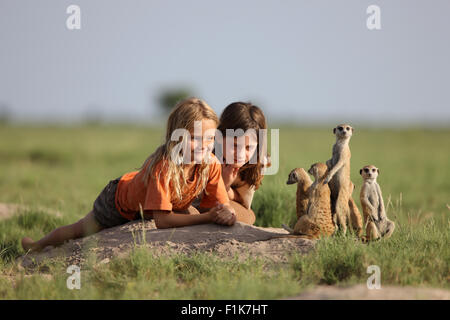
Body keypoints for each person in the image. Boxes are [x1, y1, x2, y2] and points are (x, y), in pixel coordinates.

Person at [22, 98, 236, 252]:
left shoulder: (211, 164)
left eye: (209, 139)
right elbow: (161, 221)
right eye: (195, 138)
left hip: (160, 203)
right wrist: (208, 217)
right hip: (119, 203)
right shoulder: (164, 166)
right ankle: (37, 246)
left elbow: (221, 204)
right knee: (81, 230)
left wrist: (227, 213)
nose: (204, 146)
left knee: (188, 213)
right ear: (176, 137)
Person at [192, 102, 270, 225]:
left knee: (249, 216)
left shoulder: (258, 164)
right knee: (193, 210)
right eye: (234, 145)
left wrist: (224, 186)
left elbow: (244, 201)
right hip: (194, 200)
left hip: (222, 200)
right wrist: (218, 185)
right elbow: (195, 193)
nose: (240, 154)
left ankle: (213, 216)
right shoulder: (205, 151)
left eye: (249, 147)